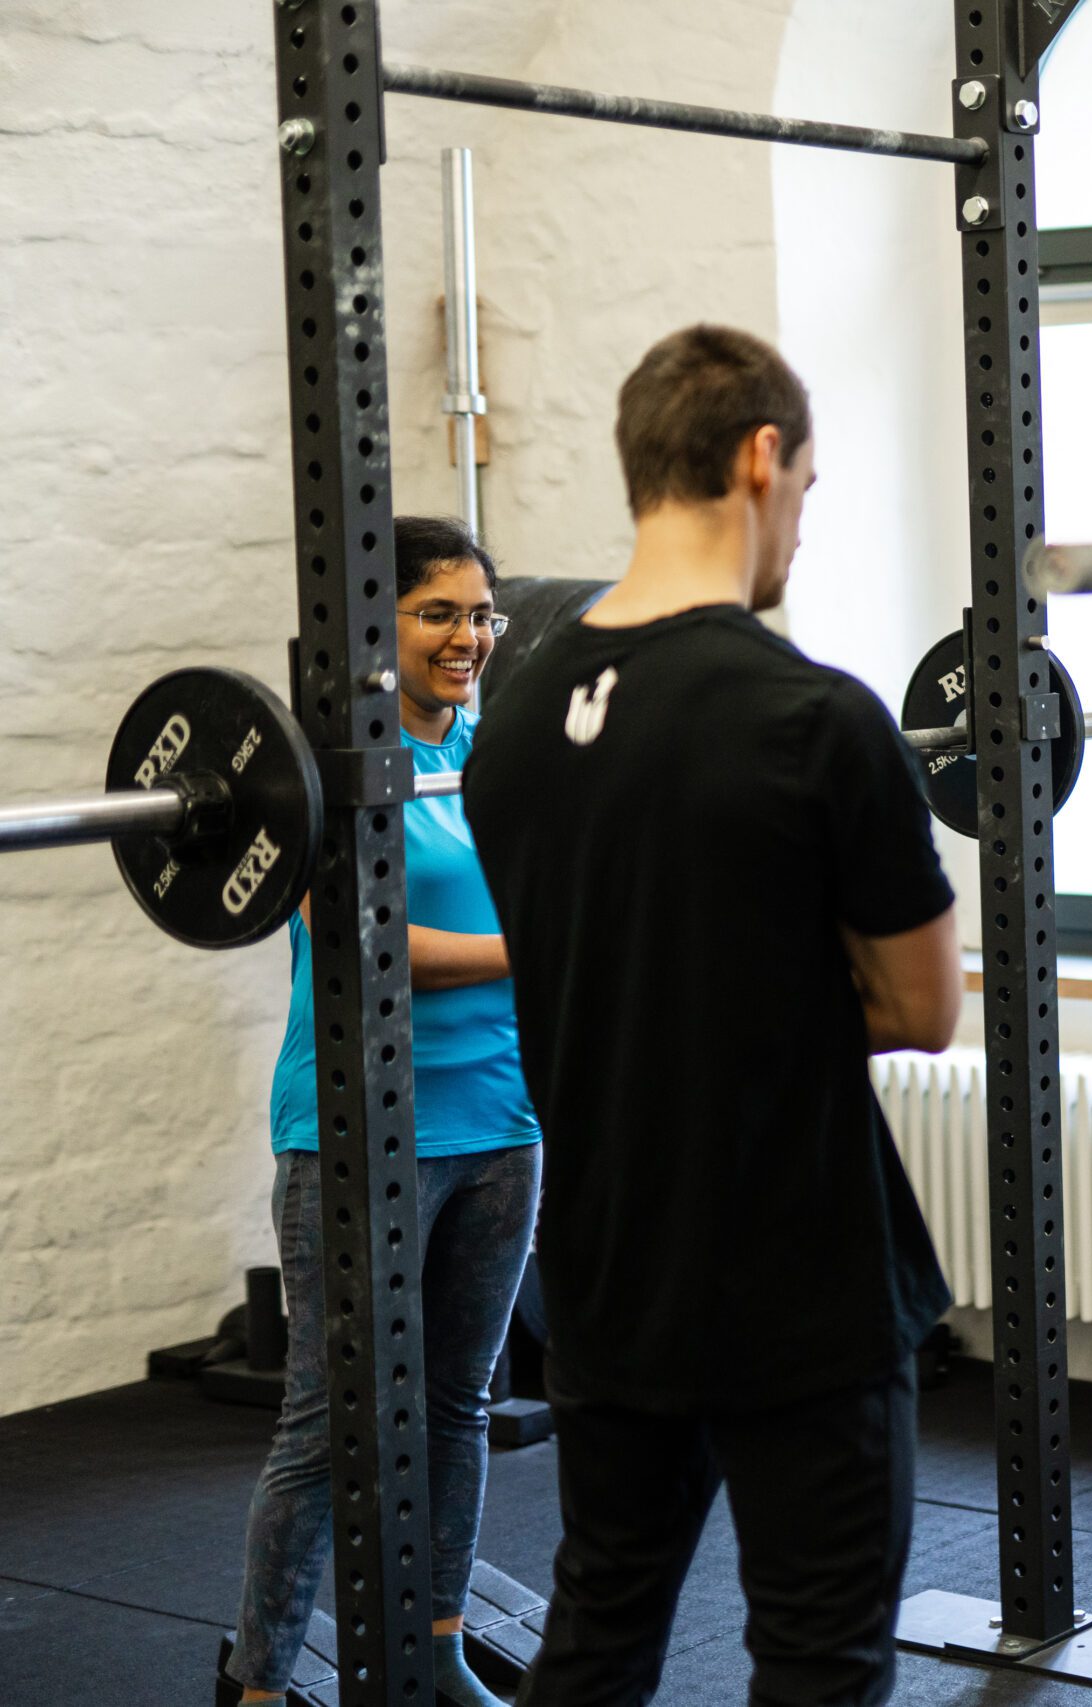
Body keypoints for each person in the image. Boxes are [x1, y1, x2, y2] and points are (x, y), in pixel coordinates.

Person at [462, 324, 960, 1707]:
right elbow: (922, 1005)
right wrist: (764, 990)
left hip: (609, 1276)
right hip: (802, 1282)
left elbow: (593, 965)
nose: (800, 517)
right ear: (760, 456)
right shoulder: (817, 717)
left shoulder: (512, 725)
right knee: (816, 1660)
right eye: (806, 484)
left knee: (597, 1640)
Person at [225, 517, 541, 1707]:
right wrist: (537, 945)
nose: (469, 637)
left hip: (502, 1119)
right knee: (325, 1424)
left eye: (481, 615)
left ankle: (440, 1646)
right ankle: (260, 1685)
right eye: (438, 614)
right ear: (377, 623)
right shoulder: (317, 774)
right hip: (358, 1129)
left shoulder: (484, 750)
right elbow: (369, 943)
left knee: (459, 1401)